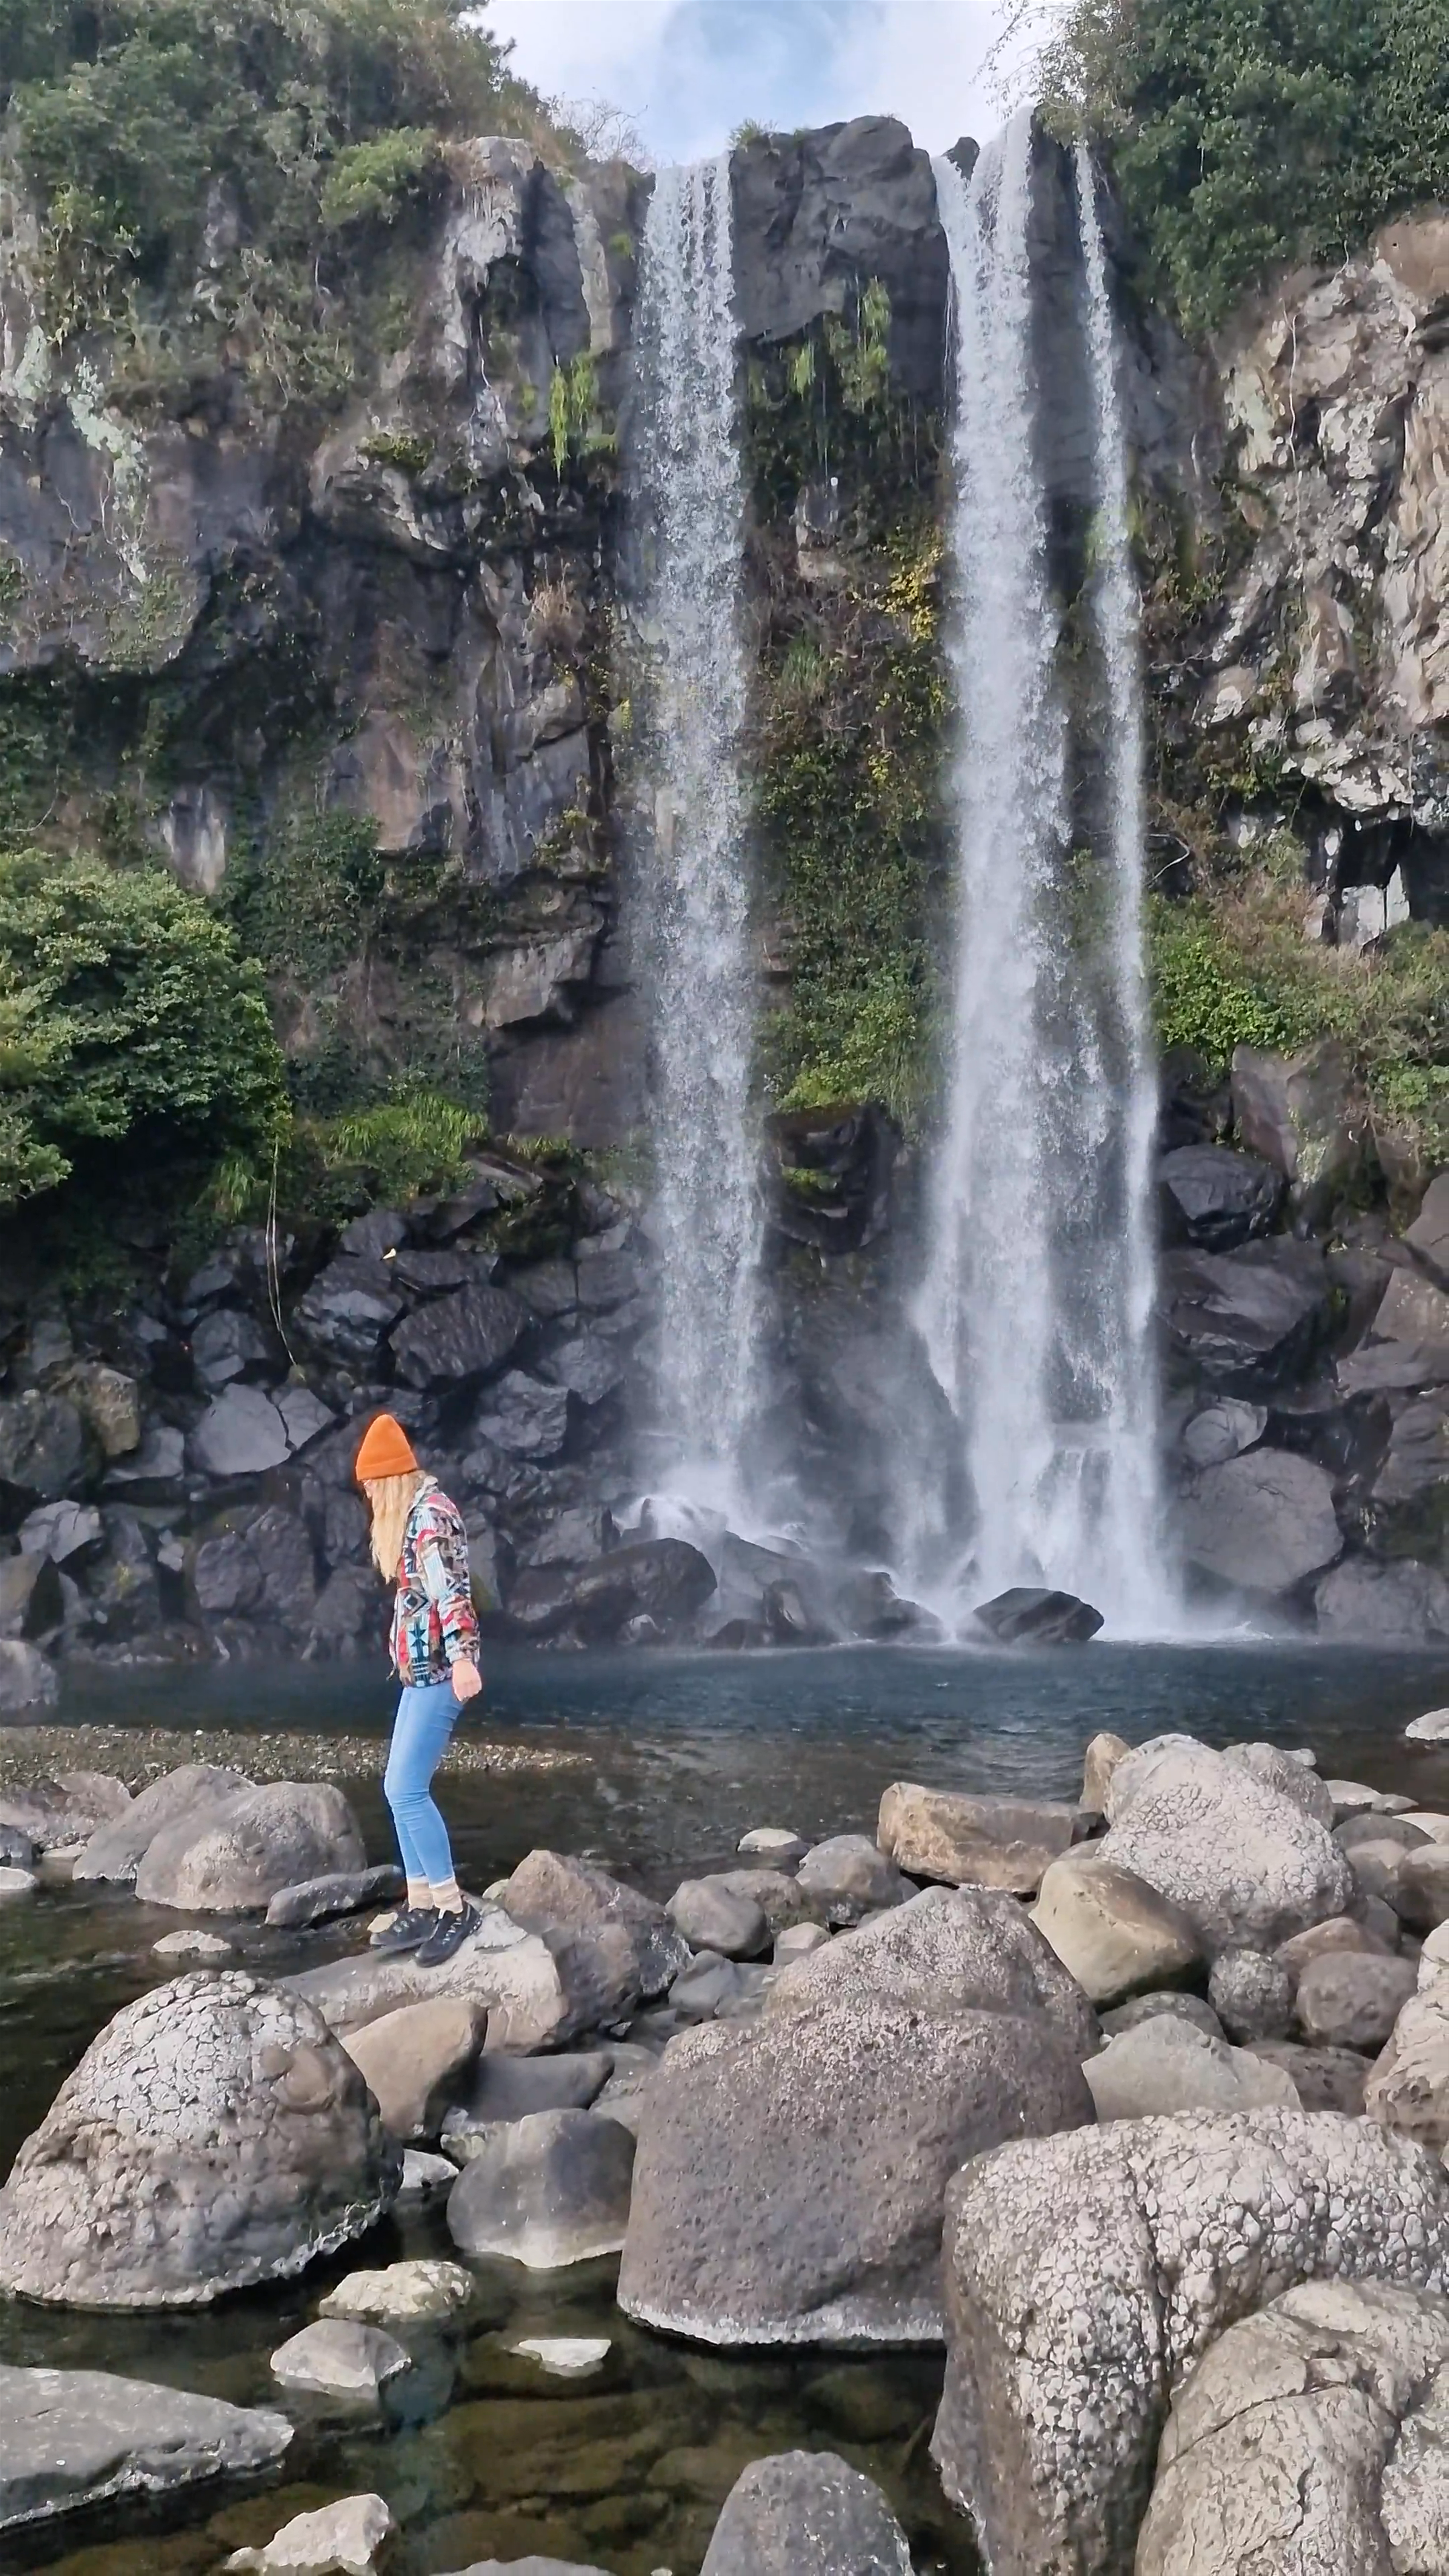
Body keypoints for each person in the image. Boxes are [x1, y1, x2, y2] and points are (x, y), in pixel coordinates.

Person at [354, 1410, 483, 1964]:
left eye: (371, 1489)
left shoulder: (429, 1519)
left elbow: (453, 1593)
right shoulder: (412, 1516)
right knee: (395, 1786)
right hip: (421, 1671)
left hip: (442, 1672)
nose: (370, 1501)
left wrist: (463, 1660)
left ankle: (455, 1909)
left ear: (388, 1481)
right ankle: (423, 1902)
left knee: (407, 1788)